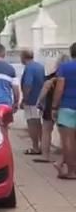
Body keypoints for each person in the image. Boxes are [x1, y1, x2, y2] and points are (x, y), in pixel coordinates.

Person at [36, 54, 70, 164]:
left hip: (50, 107)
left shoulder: (50, 78)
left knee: (46, 131)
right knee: (65, 135)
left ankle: (45, 155)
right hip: (64, 107)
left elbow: (44, 91)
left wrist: (39, 102)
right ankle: (65, 157)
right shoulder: (70, 78)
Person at [52, 43, 76, 179]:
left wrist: (54, 106)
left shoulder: (65, 68)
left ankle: (72, 171)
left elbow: (60, 88)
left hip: (67, 107)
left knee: (68, 141)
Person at [21, 50, 46, 155]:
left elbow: (28, 84)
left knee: (31, 123)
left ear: (23, 57)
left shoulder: (29, 68)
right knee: (38, 123)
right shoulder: (40, 67)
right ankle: (43, 145)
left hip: (31, 100)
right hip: (40, 100)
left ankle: (35, 147)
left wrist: (24, 99)